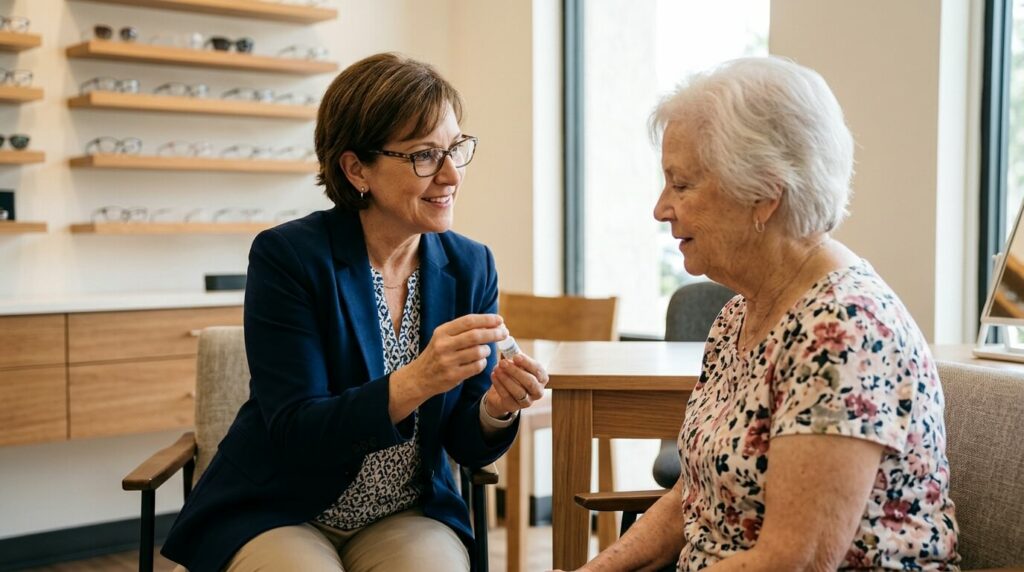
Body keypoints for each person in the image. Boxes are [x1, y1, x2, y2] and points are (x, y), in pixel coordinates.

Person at [560, 57, 960, 571]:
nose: (661, 208)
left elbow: (795, 561)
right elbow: (695, 497)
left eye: (681, 184)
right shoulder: (738, 316)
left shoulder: (844, 330)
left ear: (764, 194)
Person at [161, 52, 549, 572]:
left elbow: (465, 442)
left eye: (455, 148)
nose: (452, 174)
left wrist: (496, 408)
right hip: (282, 508)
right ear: (356, 168)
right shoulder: (289, 258)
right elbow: (297, 431)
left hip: (406, 513)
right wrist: (417, 380)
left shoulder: (471, 265)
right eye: (425, 155)